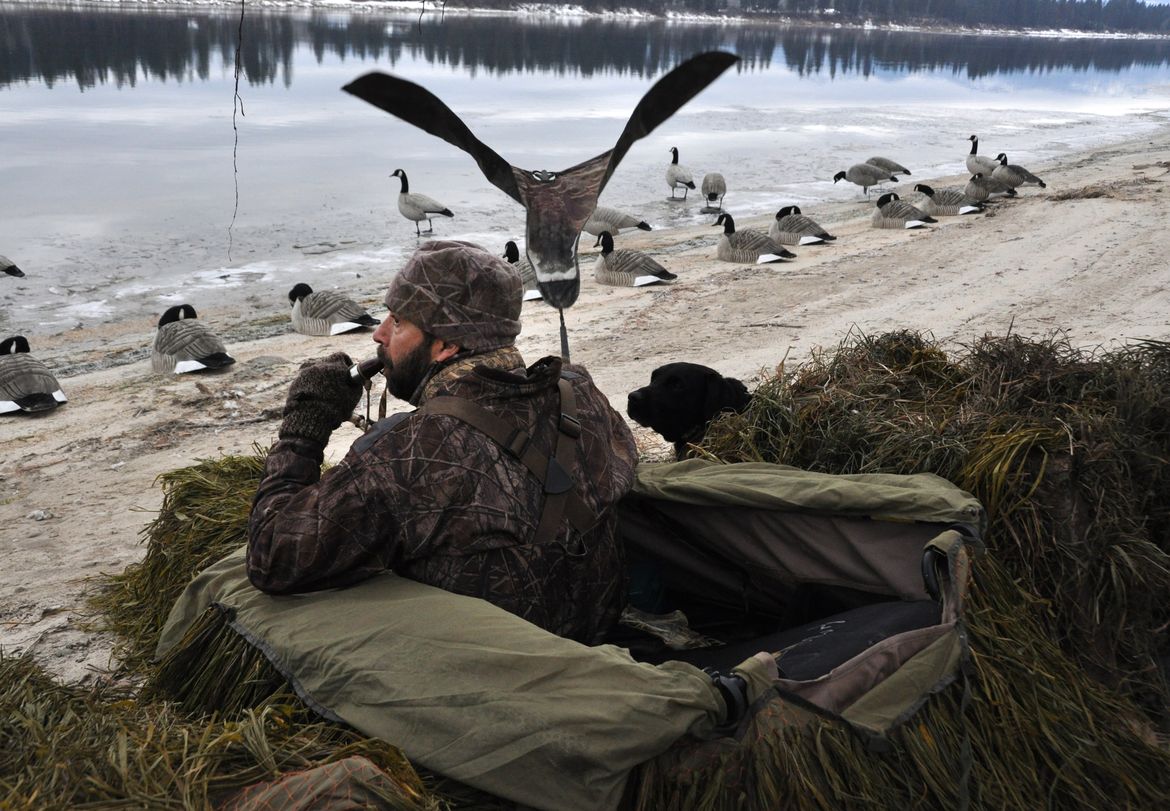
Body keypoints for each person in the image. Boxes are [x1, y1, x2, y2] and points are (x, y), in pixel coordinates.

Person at [246, 240, 638, 645]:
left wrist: (303, 428)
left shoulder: (412, 450)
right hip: (600, 628)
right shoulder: (577, 392)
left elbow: (271, 557)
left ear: (447, 345)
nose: (379, 334)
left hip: (508, 665)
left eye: (397, 323)